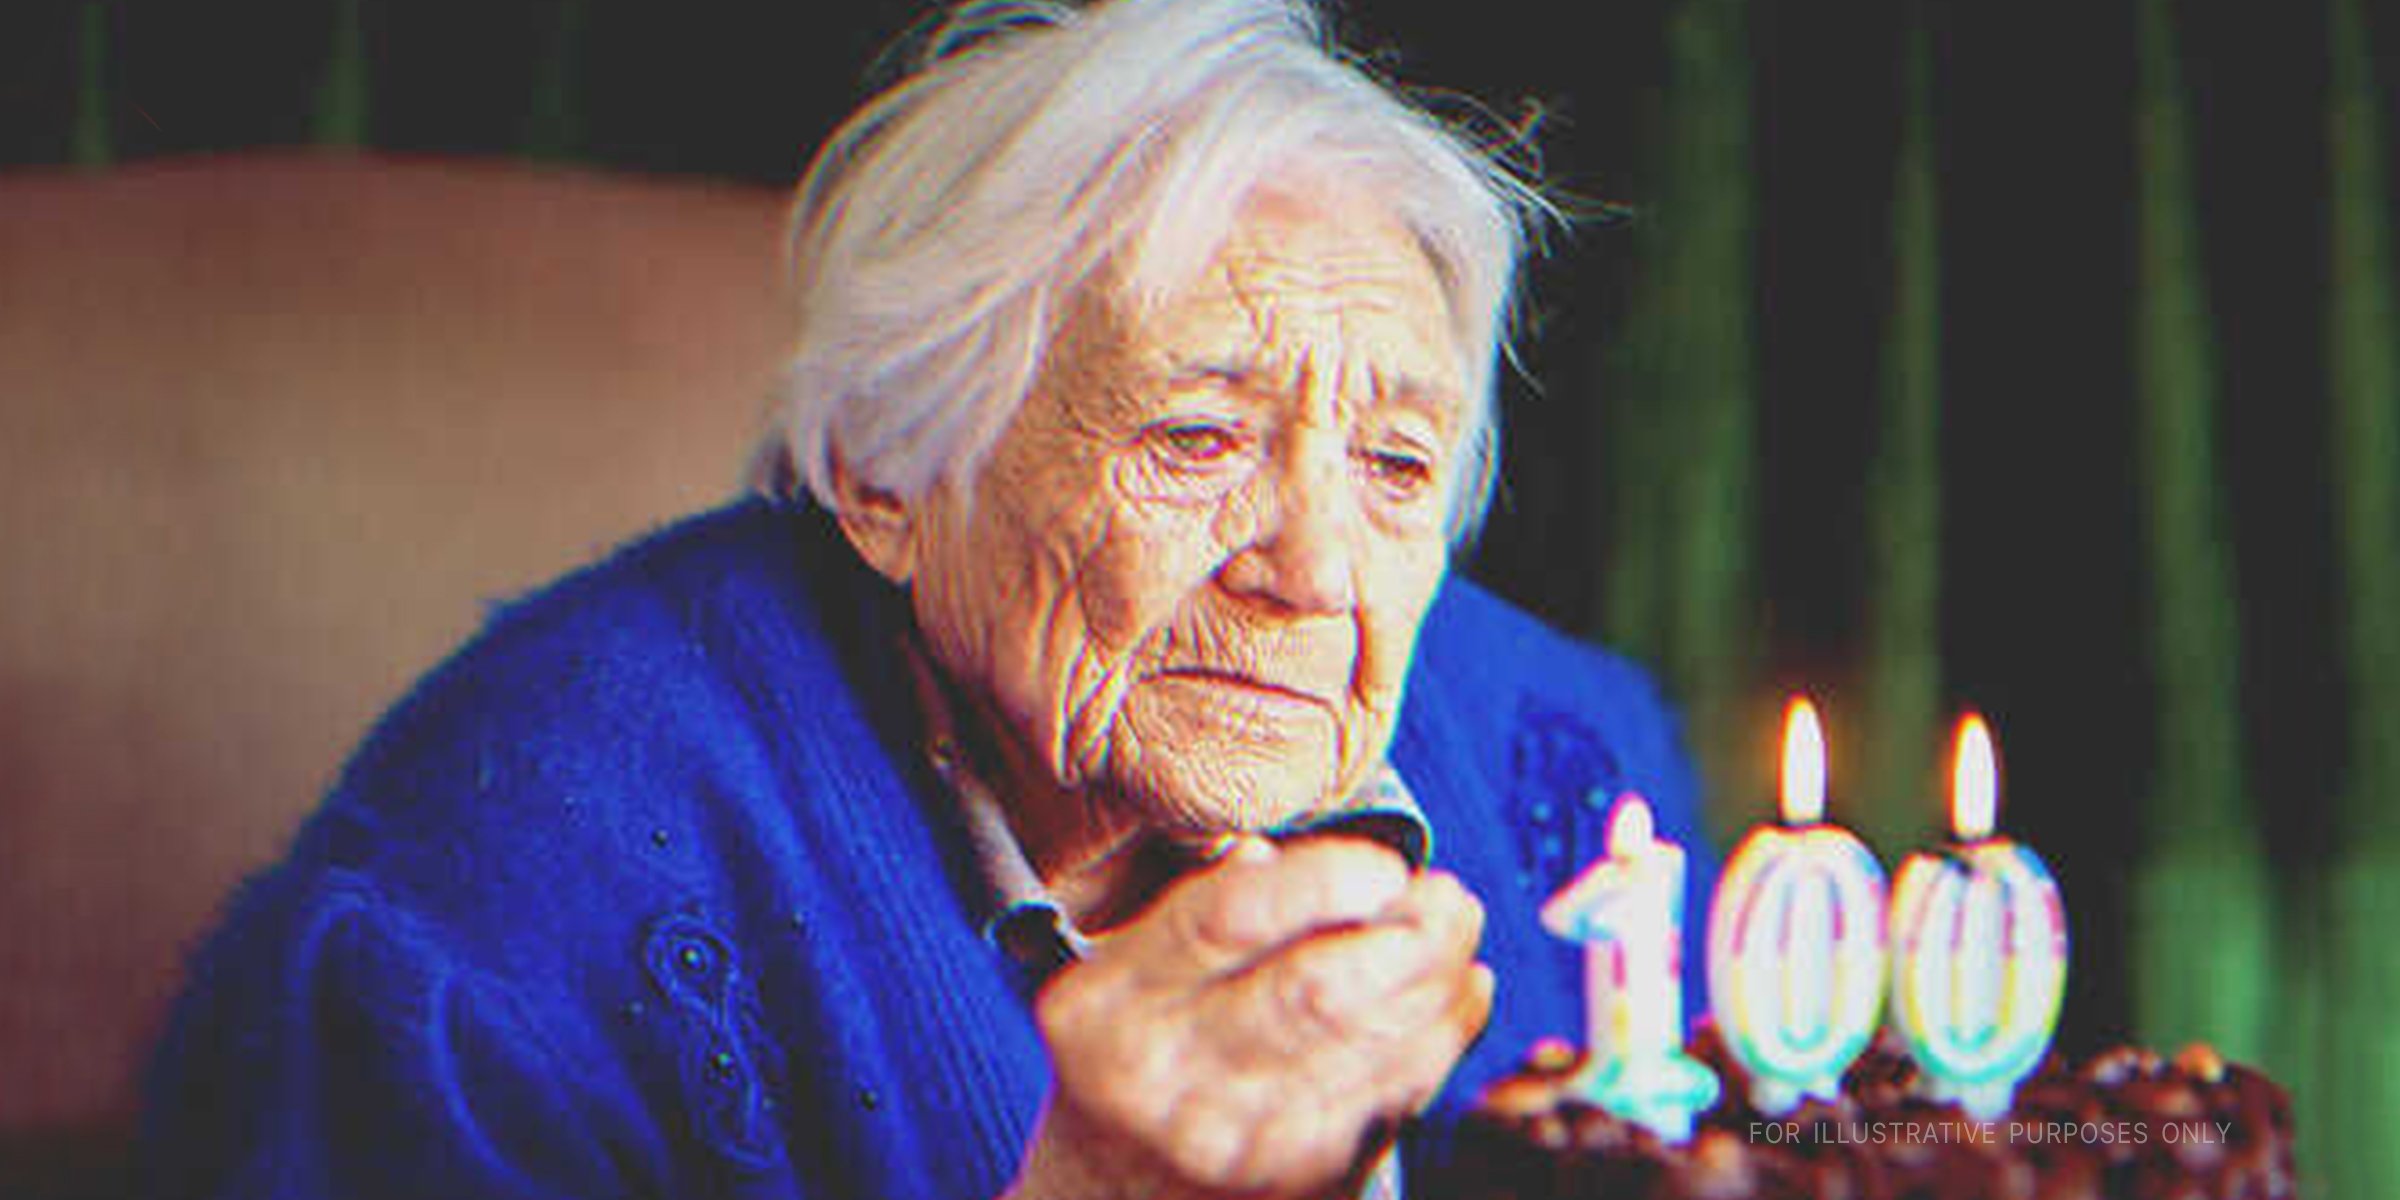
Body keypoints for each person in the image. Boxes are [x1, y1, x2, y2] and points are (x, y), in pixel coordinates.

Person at [139, 1, 1710, 1197]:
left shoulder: (1568, 767)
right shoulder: (493, 908)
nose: (1310, 574)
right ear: (888, 475)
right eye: (1198, 438)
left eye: (1394, 465)